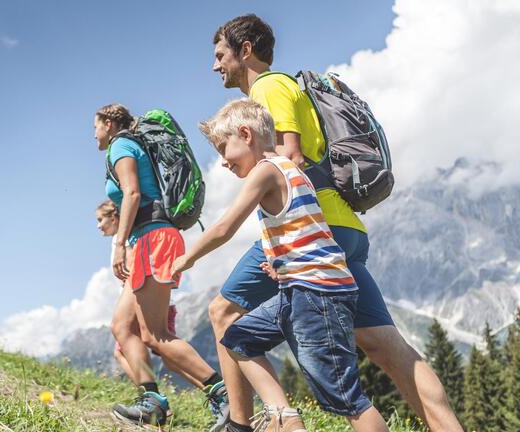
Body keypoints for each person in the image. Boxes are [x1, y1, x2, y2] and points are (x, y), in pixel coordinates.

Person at [207, 14, 463, 432]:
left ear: (245, 50)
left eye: (220, 55)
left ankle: (243, 424)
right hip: (345, 227)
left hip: (312, 230)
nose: (216, 66)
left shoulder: (267, 88)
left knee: (223, 313)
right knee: (385, 345)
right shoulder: (289, 87)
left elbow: (288, 155)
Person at [173, 98, 389, 432]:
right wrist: (283, 264)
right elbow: (305, 226)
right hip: (300, 288)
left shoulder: (265, 171)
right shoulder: (290, 169)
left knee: (346, 399)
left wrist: (186, 259)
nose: (223, 163)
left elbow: (223, 228)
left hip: (318, 294)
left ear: (245, 134)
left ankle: (286, 419)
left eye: (223, 150)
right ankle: (285, 420)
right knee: (238, 338)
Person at [95, 104, 228, 429]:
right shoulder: (127, 144)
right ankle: (152, 400)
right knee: (122, 328)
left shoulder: (120, 145)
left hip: (154, 238)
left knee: (155, 334)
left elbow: (132, 193)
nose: (94, 134)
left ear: (109, 123)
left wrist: (118, 244)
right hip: (148, 239)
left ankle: (222, 391)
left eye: (95, 127)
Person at [95, 200, 193, 387]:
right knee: (164, 356)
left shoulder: (123, 241)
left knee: (154, 348)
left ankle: (153, 397)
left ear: (114, 217)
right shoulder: (121, 240)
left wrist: (128, 295)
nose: (98, 226)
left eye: (101, 220)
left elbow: (134, 267)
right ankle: (151, 396)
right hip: (146, 299)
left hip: (141, 299)